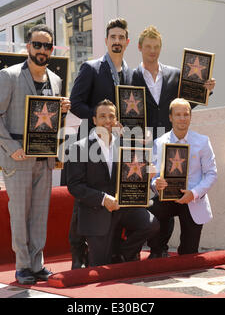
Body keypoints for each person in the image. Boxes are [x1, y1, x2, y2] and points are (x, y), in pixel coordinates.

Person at [0, 24, 71, 285]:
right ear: (28, 47)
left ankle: (37, 264)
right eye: (37, 45)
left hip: (43, 157)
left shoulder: (55, 80)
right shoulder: (8, 76)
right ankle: (22, 266)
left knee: (39, 213)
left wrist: (63, 110)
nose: (42, 50)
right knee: (20, 213)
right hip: (17, 157)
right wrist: (12, 148)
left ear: (52, 49)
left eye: (47, 46)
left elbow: (51, 121)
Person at [68, 18, 133, 269]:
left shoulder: (130, 72)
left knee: (111, 191)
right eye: (112, 37)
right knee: (83, 197)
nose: (116, 41)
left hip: (117, 142)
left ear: (126, 42)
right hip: (91, 142)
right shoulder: (91, 68)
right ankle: (77, 251)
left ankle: (113, 247)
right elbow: (75, 103)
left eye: (121, 38)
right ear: (106, 41)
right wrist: (100, 121)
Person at [66, 99, 159, 266]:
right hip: (96, 210)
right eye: (103, 116)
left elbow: (132, 177)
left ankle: (123, 253)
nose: (108, 120)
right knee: (100, 265)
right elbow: (75, 186)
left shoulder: (126, 146)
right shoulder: (78, 147)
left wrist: (147, 173)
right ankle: (91, 254)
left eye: (111, 116)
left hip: (122, 208)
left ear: (116, 120)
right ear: (94, 120)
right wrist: (103, 199)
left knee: (151, 224)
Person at [148, 98, 217, 258]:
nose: (182, 118)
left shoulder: (202, 142)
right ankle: (158, 250)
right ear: (170, 117)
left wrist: (194, 193)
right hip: (166, 199)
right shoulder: (159, 142)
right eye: (178, 114)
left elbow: (211, 173)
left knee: (189, 253)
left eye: (186, 114)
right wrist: (155, 184)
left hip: (192, 198)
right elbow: (154, 177)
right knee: (151, 214)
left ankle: (185, 253)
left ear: (191, 117)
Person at [132, 25, 216, 141]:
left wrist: (206, 89)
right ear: (139, 47)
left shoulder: (175, 75)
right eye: (148, 46)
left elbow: (186, 103)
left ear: (161, 48)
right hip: (143, 143)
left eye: (156, 47)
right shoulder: (130, 78)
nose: (153, 50)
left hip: (172, 141)